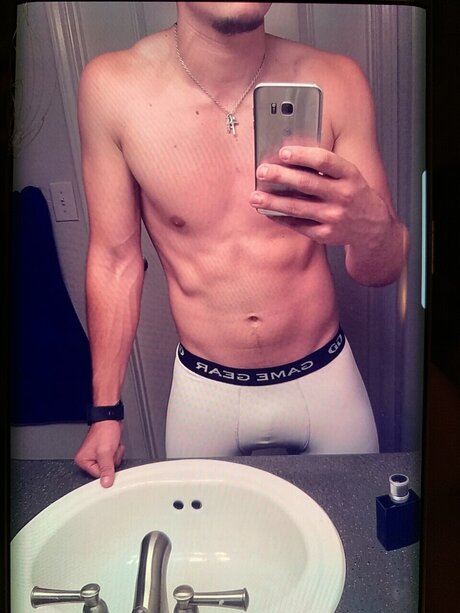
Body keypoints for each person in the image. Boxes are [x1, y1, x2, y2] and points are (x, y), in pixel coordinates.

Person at [74, 3, 409, 487]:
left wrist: (370, 226)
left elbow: (380, 270)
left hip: (325, 380)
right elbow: (114, 261)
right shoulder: (113, 88)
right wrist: (105, 411)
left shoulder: (336, 80)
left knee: (352, 527)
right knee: (204, 533)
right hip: (205, 392)